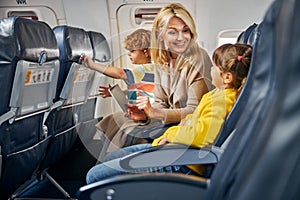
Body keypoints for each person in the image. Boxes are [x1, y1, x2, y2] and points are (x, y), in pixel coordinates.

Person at [85, 43, 253, 184]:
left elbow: (204, 135)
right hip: (175, 149)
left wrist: (171, 134)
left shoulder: (223, 101)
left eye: (215, 68)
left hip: (184, 161)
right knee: (111, 157)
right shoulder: (215, 94)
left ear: (227, 78)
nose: (210, 70)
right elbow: (192, 121)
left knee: (93, 176)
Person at [93, 3, 213, 155]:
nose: (181, 38)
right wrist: (146, 114)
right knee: (119, 119)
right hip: (169, 118)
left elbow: (195, 110)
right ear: (160, 35)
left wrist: (155, 113)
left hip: (187, 124)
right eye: (173, 32)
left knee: (128, 130)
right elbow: (160, 100)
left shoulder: (198, 58)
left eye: (185, 30)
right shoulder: (163, 58)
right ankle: (108, 171)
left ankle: (112, 172)